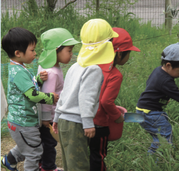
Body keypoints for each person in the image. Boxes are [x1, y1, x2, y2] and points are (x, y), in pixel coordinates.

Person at [52, 19, 119, 171]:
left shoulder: (75, 66)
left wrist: (56, 117)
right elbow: (86, 97)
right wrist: (88, 122)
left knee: (70, 164)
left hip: (64, 121)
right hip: (76, 124)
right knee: (79, 165)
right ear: (107, 44)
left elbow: (64, 94)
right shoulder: (94, 69)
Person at [1, 27, 59, 171]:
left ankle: (9, 161)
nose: (35, 53)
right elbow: (32, 95)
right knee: (34, 152)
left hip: (21, 121)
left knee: (26, 146)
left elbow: (27, 88)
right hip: (24, 123)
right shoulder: (19, 72)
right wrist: (50, 97)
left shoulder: (19, 67)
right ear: (18, 53)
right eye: (32, 50)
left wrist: (38, 80)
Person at [89, 27, 141, 171]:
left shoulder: (91, 65)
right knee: (98, 156)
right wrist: (117, 116)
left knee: (86, 154)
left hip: (83, 120)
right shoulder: (115, 75)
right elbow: (106, 101)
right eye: (128, 52)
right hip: (99, 125)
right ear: (119, 54)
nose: (129, 56)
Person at [37, 28, 80, 171]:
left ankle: (43, 165)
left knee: (45, 143)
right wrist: (46, 118)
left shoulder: (46, 66)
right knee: (49, 144)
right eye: (69, 50)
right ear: (57, 50)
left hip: (49, 116)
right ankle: (48, 167)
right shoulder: (52, 72)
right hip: (49, 117)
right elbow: (46, 97)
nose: (71, 54)